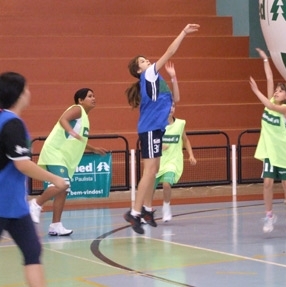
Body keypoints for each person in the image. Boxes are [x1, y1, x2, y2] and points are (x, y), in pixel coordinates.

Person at [123, 23, 200, 234]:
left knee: (154, 169)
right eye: (142, 61)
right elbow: (170, 51)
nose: (147, 61)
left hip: (156, 129)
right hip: (148, 129)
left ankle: (147, 209)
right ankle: (134, 212)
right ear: (139, 69)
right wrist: (183, 32)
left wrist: (174, 78)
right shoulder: (148, 75)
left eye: (146, 59)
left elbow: (176, 98)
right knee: (149, 172)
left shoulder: (158, 80)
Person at [0, 71, 68, 287]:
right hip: (2, 203)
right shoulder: (11, 123)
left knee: (32, 250)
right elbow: (22, 164)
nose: (29, 93)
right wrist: (55, 179)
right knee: (32, 252)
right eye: (26, 89)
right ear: (19, 94)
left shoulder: (8, 121)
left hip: (15, 206)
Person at [29, 88, 108, 236]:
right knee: (62, 183)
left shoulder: (85, 119)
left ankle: (55, 225)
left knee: (63, 190)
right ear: (80, 100)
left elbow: (80, 141)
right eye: (89, 96)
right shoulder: (77, 109)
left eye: (94, 95)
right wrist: (71, 131)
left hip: (65, 158)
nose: (93, 98)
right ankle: (35, 204)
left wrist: (94, 149)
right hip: (55, 151)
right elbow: (63, 119)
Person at [249, 48, 286, 234]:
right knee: (267, 183)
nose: (277, 92)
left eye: (281, 91)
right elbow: (270, 79)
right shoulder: (272, 100)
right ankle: (269, 215)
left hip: (283, 152)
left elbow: (270, 105)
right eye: (277, 91)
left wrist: (256, 91)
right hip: (269, 151)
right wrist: (266, 60)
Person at [151, 102, 197, 222]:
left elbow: (185, 140)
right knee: (150, 189)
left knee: (166, 184)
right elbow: (150, 142)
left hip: (173, 161)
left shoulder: (180, 124)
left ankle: (166, 206)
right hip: (158, 161)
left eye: (173, 106)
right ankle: (147, 211)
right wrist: (159, 146)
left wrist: (191, 155)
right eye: (168, 106)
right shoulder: (157, 125)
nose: (171, 108)